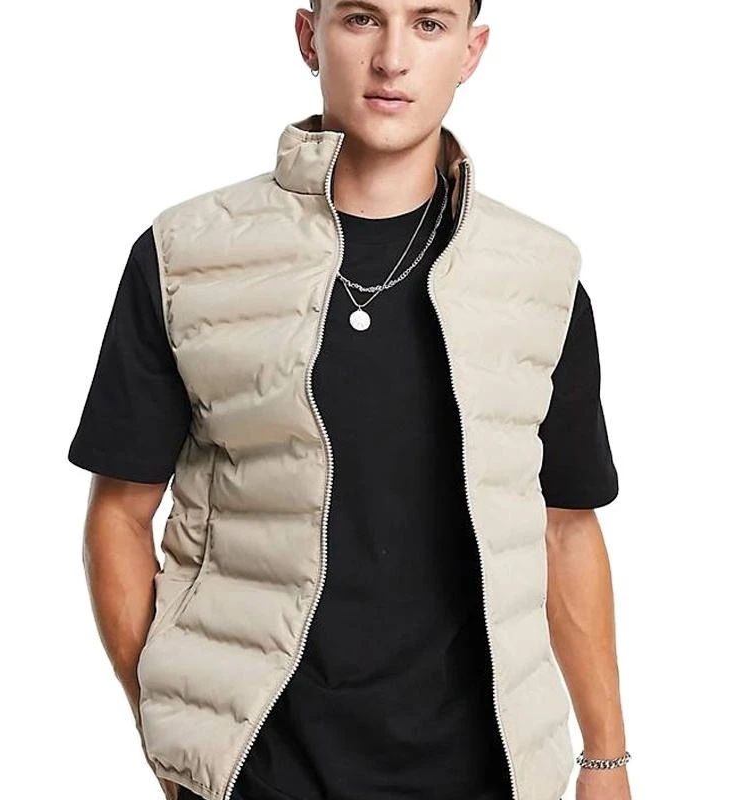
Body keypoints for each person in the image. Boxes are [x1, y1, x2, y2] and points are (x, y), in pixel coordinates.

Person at [68, 2, 632, 799]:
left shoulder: (538, 276)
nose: (392, 58)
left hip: (485, 772)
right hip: (259, 773)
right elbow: (120, 516)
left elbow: (566, 528)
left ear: (471, 51)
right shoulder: (187, 255)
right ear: (310, 36)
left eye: (429, 24)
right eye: (363, 19)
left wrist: (605, 758)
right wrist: (175, 740)